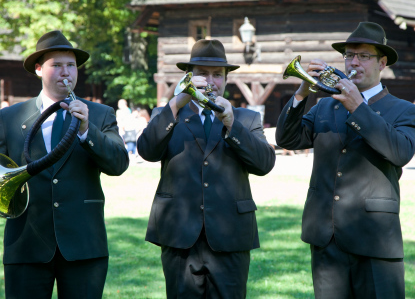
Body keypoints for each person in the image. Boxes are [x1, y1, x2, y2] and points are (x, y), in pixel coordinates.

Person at [276, 22, 415, 298]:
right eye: (349, 55)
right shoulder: (325, 105)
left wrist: (359, 108)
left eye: (364, 56)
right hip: (326, 238)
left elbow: (400, 152)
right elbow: (287, 140)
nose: (354, 62)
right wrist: (303, 91)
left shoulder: (404, 110)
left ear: (382, 63)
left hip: (375, 239)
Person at [137, 39, 276, 298]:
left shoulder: (247, 118)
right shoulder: (167, 113)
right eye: (202, 74)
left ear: (226, 79)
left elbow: (264, 164)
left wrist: (233, 125)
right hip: (178, 234)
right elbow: (146, 151)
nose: (210, 81)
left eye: (217, 75)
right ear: (189, 77)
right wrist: (175, 104)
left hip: (231, 235)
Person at [0, 30, 129, 298]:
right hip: (27, 244)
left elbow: (118, 164)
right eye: (56, 65)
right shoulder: (9, 117)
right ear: (39, 70)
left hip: (84, 245)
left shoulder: (101, 114)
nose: (65, 72)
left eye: (71, 65)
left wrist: (87, 130)